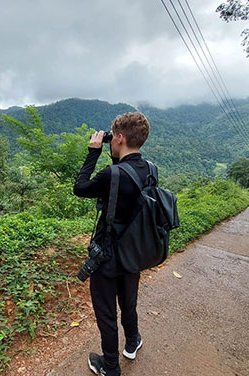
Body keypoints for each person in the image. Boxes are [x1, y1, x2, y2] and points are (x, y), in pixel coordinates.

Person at [73, 112, 153, 376]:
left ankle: (110, 367)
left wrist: (93, 152)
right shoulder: (151, 170)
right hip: (134, 254)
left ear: (118, 138)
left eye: (111, 137)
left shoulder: (111, 174)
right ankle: (132, 343)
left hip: (106, 257)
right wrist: (113, 153)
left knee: (107, 314)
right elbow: (125, 181)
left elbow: (80, 187)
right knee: (128, 303)